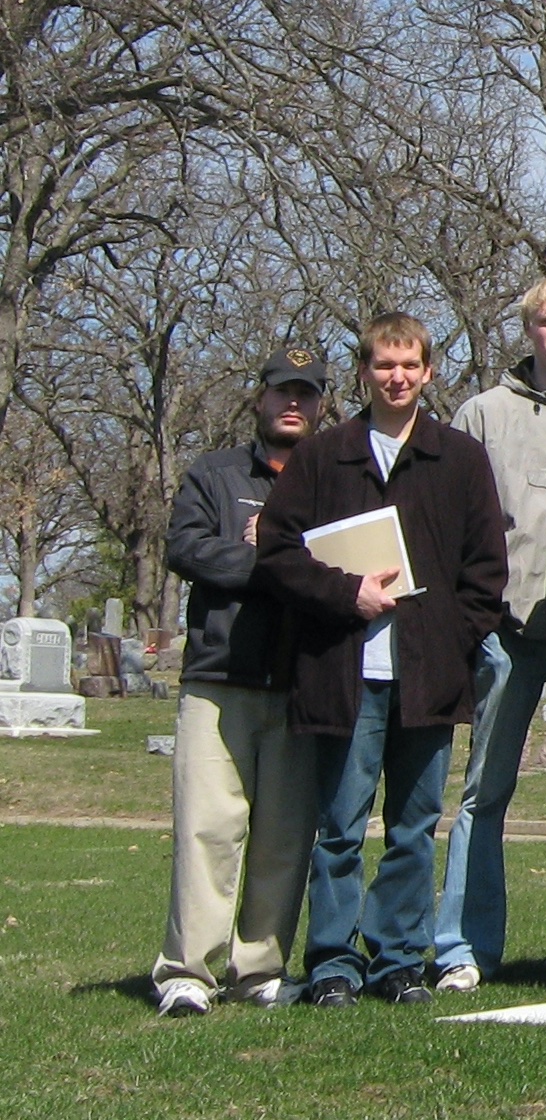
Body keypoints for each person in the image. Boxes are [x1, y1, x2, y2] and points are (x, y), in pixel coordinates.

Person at [254, 313, 507, 1007]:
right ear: (363, 372)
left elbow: (486, 573)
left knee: (412, 828)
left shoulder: (458, 458)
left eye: (409, 366)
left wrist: (451, 640)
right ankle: (333, 963)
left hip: (428, 677)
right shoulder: (322, 456)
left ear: (429, 373)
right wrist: (345, 593)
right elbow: (276, 552)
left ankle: (398, 959)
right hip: (342, 671)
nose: (396, 378)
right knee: (338, 828)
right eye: (383, 365)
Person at [434, 276, 546, 994]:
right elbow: (453, 526)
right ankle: (462, 948)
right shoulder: (482, 415)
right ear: (528, 329)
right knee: (484, 791)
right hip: (504, 634)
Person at [150, 348, 330, 1017]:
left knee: (285, 836)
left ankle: (259, 970)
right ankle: (186, 972)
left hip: (298, 682)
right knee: (207, 829)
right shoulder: (216, 474)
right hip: (218, 676)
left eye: (307, 395)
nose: (294, 404)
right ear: (259, 399)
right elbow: (189, 549)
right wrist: (273, 560)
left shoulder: (328, 479)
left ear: (319, 405)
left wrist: (287, 558)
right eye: (283, 392)